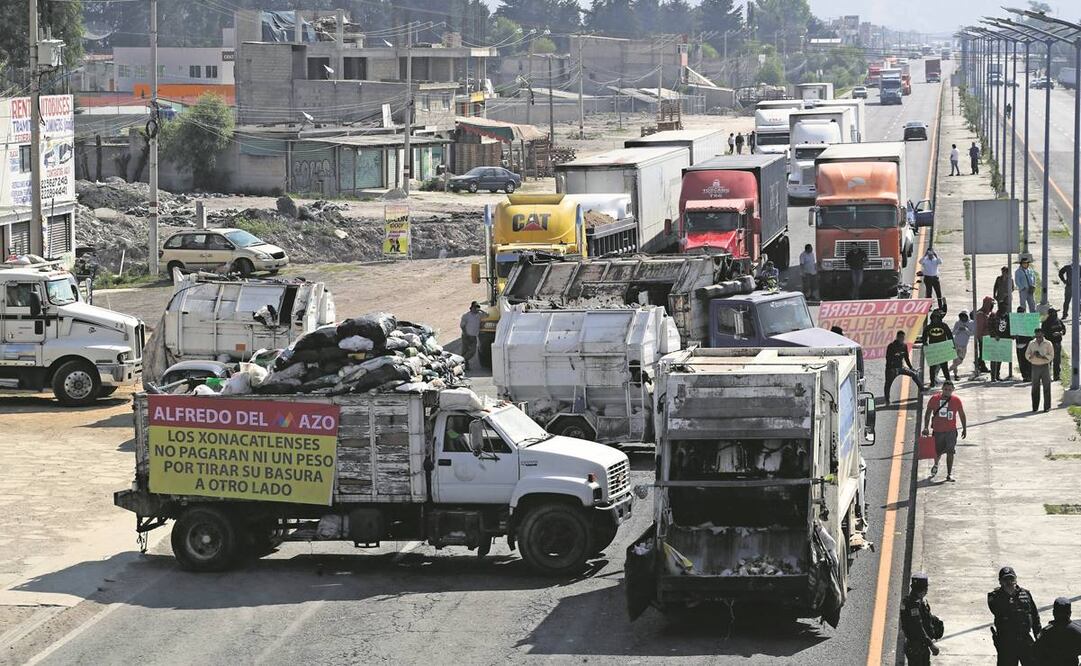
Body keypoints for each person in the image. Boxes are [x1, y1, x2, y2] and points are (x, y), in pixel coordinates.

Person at [988, 566, 1041, 665]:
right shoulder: (994, 597)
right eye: (1005, 580)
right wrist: (1009, 596)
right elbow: (997, 610)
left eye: (1011, 579)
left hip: (1025, 639)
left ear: (1015, 579)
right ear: (1000, 582)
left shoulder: (1025, 594)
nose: (1009, 582)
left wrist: (1038, 635)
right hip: (1007, 642)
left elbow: (1034, 615)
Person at [922, 380, 967, 481]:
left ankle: (949, 474)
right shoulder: (934, 399)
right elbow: (928, 413)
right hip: (938, 431)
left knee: (950, 452)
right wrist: (926, 427)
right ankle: (936, 464)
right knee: (937, 452)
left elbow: (962, 414)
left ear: (953, 390)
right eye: (945, 389)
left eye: (950, 390)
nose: (947, 391)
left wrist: (964, 428)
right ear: (942, 389)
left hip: (951, 431)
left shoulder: (956, 400)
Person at [901, 573, 943, 665]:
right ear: (921, 590)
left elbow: (926, 618)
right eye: (925, 589)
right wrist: (931, 645)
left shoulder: (919, 601)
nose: (926, 591)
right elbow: (918, 628)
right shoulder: (912, 605)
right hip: (916, 648)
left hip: (921, 647)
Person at [1035, 597, 1081, 666]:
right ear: (1070, 613)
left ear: (1053, 613)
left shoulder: (1046, 632)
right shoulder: (1078, 631)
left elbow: (1036, 653)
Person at [884, 330, 923, 403]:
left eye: (903, 338)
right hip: (891, 369)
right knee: (888, 384)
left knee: (914, 374)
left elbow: (906, 358)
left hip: (901, 367)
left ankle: (922, 389)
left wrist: (911, 368)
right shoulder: (891, 346)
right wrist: (892, 368)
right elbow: (888, 358)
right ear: (897, 337)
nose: (902, 339)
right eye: (901, 337)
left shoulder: (904, 346)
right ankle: (887, 399)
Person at [922, 310, 954, 386]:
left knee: (944, 367)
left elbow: (950, 336)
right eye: (934, 318)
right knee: (932, 367)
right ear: (931, 318)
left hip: (942, 349)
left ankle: (949, 382)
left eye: (937, 318)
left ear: (939, 318)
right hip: (933, 349)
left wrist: (952, 346)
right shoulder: (928, 327)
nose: (935, 319)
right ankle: (932, 383)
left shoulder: (944, 326)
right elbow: (924, 337)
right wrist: (925, 342)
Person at [1026, 327, 1054, 412]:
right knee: (1035, 387)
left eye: (1040, 336)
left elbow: (1051, 355)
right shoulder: (1031, 343)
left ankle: (1047, 407)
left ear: (1043, 335)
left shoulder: (1048, 343)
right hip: (1035, 366)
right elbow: (1027, 354)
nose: (1038, 338)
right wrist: (1032, 356)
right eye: (1037, 336)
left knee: (1046, 386)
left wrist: (1042, 356)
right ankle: (1035, 407)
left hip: (1045, 366)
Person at [989, 303, 1012, 382]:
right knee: (994, 359)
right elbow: (990, 326)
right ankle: (993, 377)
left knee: (1000, 359)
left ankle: (997, 375)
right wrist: (994, 335)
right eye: (1003, 308)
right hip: (995, 340)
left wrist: (1011, 337)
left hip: (1003, 340)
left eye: (1006, 308)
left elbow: (1009, 327)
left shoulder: (1007, 317)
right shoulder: (993, 315)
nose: (1005, 309)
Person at [951, 311, 975, 380]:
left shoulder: (971, 323)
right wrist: (958, 329)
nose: (963, 319)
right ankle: (955, 374)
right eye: (962, 317)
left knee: (960, 359)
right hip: (956, 343)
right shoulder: (958, 323)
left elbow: (972, 333)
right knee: (955, 360)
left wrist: (966, 330)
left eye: (964, 317)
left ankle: (950, 368)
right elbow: (953, 332)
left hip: (963, 345)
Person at [459, 301, 483, 370]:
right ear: (471, 308)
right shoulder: (466, 316)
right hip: (466, 336)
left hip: (474, 336)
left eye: (477, 308)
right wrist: (466, 334)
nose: (476, 309)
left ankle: (462, 360)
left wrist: (481, 310)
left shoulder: (479, 315)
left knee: (472, 351)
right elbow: (462, 326)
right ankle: (465, 365)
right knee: (465, 351)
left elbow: (487, 315)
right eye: (475, 307)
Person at [1044, 307, 1067, 379]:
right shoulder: (1046, 323)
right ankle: (1047, 376)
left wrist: (1060, 333)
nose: (1055, 314)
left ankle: (1056, 376)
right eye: (1054, 313)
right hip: (1049, 344)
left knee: (1057, 360)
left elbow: (1064, 329)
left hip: (1058, 343)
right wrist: (1052, 334)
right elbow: (1044, 333)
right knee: (1048, 360)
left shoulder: (1059, 321)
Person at [975, 296, 996, 374]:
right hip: (982, 337)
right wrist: (980, 338)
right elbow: (979, 328)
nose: (992, 306)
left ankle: (980, 364)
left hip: (987, 337)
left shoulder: (987, 313)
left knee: (984, 353)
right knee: (983, 353)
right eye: (991, 305)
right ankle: (980, 365)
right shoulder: (980, 314)